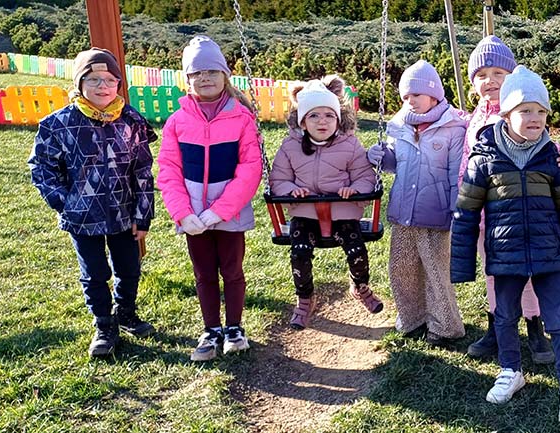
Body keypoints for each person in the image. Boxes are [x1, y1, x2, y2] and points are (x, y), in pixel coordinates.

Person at [451, 66, 560, 424]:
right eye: (526, 110)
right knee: (504, 316)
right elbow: (466, 213)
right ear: (506, 113)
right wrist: (461, 266)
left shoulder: (552, 158)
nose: (535, 118)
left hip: (549, 257)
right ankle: (511, 371)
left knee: (557, 321)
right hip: (505, 255)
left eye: (541, 111)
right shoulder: (485, 158)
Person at [462, 36, 560, 362]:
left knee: (529, 276)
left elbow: (549, 149)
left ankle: (534, 326)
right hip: (487, 217)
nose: (490, 81)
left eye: (498, 73)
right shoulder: (472, 118)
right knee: (494, 274)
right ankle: (496, 326)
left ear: (511, 78)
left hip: (522, 213)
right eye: (481, 75)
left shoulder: (521, 110)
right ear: (472, 82)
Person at [29, 48, 156, 357]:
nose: (103, 86)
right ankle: (104, 324)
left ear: (118, 84)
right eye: (94, 79)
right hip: (82, 218)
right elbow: (42, 168)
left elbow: (142, 169)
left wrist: (143, 214)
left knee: (129, 268)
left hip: (124, 214)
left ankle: (126, 312)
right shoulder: (58, 124)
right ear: (80, 83)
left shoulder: (131, 120)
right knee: (95, 272)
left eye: (110, 80)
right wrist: (65, 203)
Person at [157, 35, 263, 361]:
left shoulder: (241, 118)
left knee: (232, 270)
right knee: (203, 272)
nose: (205, 78)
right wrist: (182, 213)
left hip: (229, 212)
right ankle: (211, 329)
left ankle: (234, 328)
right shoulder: (177, 122)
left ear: (225, 75)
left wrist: (220, 211)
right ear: (187, 79)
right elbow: (169, 170)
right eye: (197, 73)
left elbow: (250, 169)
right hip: (192, 213)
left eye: (212, 71)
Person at [270, 75, 383, 330]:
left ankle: (360, 286)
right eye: (314, 116)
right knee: (299, 252)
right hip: (305, 213)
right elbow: (278, 180)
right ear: (302, 121)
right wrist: (292, 190)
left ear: (338, 119)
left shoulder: (350, 145)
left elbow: (365, 177)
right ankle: (305, 298)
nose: (322, 121)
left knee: (356, 250)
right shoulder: (290, 147)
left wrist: (354, 189)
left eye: (329, 115)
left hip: (343, 212)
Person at [367, 60, 466, 346]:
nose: (410, 101)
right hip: (403, 211)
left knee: (435, 270)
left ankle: (445, 325)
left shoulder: (452, 127)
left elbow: (455, 174)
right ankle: (412, 317)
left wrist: (456, 208)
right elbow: (395, 163)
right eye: (406, 96)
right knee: (401, 267)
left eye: (417, 95)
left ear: (434, 95)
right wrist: (380, 157)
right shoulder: (400, 125)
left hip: (436, 212)